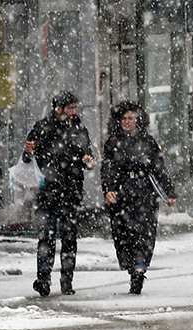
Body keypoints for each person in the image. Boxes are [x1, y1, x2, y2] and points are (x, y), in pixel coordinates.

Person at [25, 90, 96, 297]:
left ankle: (67, 280)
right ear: (59, 109)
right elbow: (27, 158)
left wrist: (88, 160)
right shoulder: (41, 127)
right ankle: (44, 279)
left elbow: (88, 155)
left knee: (69, 237)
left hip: (72, 191)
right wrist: (28, 151)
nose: (74, 112)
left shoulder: (79, 129)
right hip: (47, 192)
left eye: (75, 108)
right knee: (46, 236)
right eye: (70, 108)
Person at [101, 100, 176, 295]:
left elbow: (159, 168)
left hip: (144, 192)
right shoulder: (112, 143)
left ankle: (139, 271)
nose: (127, 122)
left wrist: (169, 192)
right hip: (121, 193)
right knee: (123, 233)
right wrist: (108, 189)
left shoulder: (148, 142)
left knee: (144, 232)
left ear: (138, 120)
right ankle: (132, 267)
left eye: (131, 118)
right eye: (124, 118)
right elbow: (108, 168)